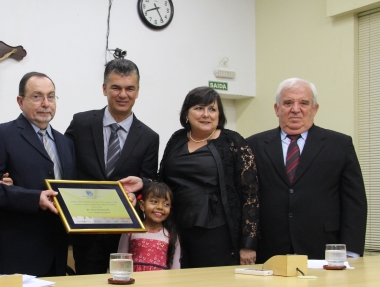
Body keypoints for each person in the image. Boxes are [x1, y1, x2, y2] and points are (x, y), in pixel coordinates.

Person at [121, 86, 259, 268]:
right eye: (199, 108)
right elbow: (164, 182)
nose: (206, 114)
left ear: (219, 115)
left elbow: (251, 194)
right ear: (187, 113)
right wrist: (144, 182)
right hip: (176, 228)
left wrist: (248, 244)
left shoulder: (233, 142)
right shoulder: (177, 139)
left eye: (212, 109)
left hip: (216, 233)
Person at [247, 78, 367, 263]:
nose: (296, 109)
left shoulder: (340, 145)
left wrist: (351, 251)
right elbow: (246, 199)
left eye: (304, 103)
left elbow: (354, 202)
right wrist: (247, 245)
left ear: (315, 109)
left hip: (325, 248)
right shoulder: (253, 145)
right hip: (269, 249)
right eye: (288, 103)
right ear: (277, 109)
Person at [0, 72, 76, 277]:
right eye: (37, 96)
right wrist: (33, 198)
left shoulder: (66, 143)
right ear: (20, 101)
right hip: (16, 256)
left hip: (56, 253)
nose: (45, 103)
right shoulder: (1, 135)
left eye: (51, 96)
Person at [65, 58, 159, 275]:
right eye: (116, 87)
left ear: (137, 91)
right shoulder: (81, 123)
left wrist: (140, 193)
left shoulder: (149, 137)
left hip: (126, 235)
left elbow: (149, 182)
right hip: (85, 231)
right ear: (105, 88)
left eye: (129, 88)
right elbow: (60, 162)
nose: (123, 94)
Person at [118, 182, 181, 271]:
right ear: (142, 205)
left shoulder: (171, 236)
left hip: (160, 284)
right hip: (135, 283)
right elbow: (121, 260)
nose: (160, 207)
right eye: (154, 202)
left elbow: (175, 268)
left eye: (166, 204)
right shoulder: (131, 231)